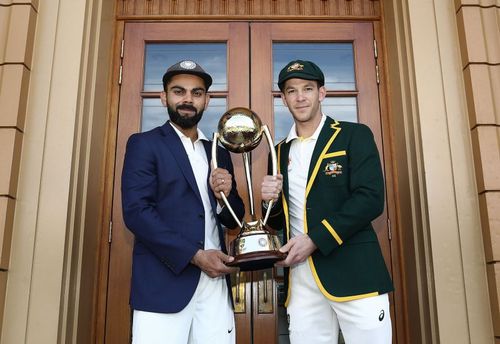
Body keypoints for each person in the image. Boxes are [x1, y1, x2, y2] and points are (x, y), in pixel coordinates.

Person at [261, 60, 393, 344]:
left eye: (307, 88)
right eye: (292, 91)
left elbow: (370, 199)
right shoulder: (278, 152)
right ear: (283, 99)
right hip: (302, 281)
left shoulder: (353, 135)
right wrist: (267, 202)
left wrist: (315, 239)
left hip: (355, 272)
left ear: (322, 93)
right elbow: (276, 223)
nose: (300, 97)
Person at [121, 60, 244, 344]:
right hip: (164, 283)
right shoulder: (144, 144)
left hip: (215, 285)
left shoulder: (218, 151)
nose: (188, 99)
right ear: (164, 97)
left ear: (207, 100)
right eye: (179, 91)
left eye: (197, 93)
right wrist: (196, 256)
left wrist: (223, 199)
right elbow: (137, 212)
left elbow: (234, 217)